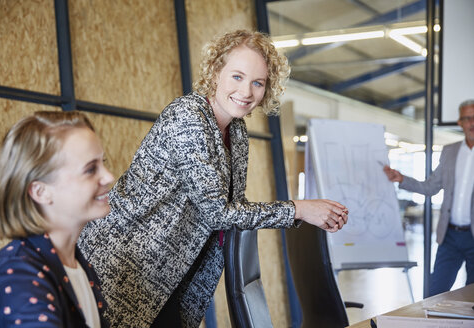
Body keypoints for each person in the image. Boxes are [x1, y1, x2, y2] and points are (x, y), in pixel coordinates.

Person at [78, 29, 348, 327]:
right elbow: (217, 212)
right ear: (216, 71)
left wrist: (302, 213)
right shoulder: (189, 117)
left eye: (258, 83)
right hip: (127, 263)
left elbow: (234, 205)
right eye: (237, 76)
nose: (246, 92)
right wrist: (298, 209)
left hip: (175, 270)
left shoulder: (237, 131)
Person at [0, 111, 114, 327]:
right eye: (90, 169)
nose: (109, 176)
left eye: (103, 163)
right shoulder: (15, 273)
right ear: (40, 191)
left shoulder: (77, 266)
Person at [383, 99, 474, 296]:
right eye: (467, 118)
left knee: (472, 300)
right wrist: (402, 179)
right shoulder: (450, 152)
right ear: (460, 122)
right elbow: (431, 187)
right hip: (449, 236)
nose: (472, 123)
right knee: (434, 295)